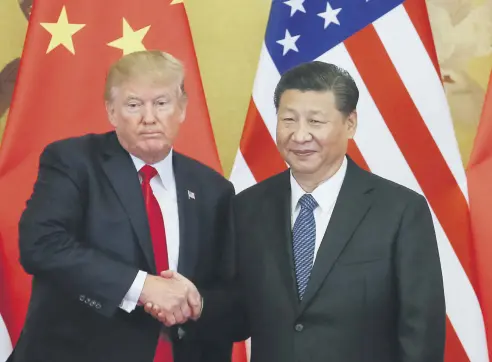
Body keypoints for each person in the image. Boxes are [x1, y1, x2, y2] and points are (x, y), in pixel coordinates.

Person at [9, 50, 236, 362]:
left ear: (182, 109)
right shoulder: (74, 161)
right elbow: (41, 245)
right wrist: (142, 287)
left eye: (161, 103)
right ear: (111, 112)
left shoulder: (214, 190)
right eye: (133, 105)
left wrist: (196, 302)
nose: (149, 117)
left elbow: (233, 298)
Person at [232, 61, 446, 362]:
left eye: (316, 122)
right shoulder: (247, 207)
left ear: (350, 123)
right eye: (288, 120)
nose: (300, 135)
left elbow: (421, 331)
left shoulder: (400, 211)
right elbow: (236, 314)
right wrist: (194, 301)